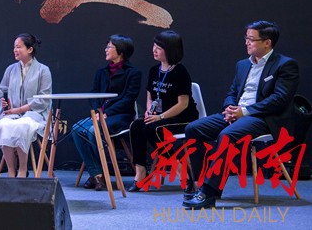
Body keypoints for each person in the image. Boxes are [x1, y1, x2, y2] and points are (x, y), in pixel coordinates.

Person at [183, 21, 300, 209]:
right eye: (246, 38)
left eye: (251, 39)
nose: (247, 42)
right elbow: (232, 92)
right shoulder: (243, 65)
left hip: (263, 118)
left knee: (227, 135)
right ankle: (198, 183)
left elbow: (280, 99)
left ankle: (209, 192)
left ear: (267, 42)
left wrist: (244, 111)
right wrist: (230, 108)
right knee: (193, 128)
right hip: (237, 113)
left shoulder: (285, 65)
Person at [128, 30, 198, 192]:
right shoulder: (154, 70)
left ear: (171, 50)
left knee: (153, 129)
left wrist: (160, 117)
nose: (154, 50)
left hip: (182, 117)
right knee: (137, 125)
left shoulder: (180, 72)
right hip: (159, 116)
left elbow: (183, 104)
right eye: (154, 46)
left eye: (159, 48)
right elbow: (150, 97)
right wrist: (149, 112)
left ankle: (181, 170)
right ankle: (140, 173)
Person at [72, 35, 141, 191]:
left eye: (109, 47)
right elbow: (94, 94)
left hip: (121, 116)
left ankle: (98, 174)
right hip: (100, 114)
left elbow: (128, 99)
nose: (106, 50)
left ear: (120, 50)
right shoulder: (102, 72)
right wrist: (97, 111)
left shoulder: (133, 73)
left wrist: (107, 113)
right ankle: (97, 174)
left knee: (93, 130)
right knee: (76, 129)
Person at [0, 33, 52, 178]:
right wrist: (4, 104)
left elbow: (44, 99)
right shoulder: (10, 69)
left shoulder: (43, 70)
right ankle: (11, 170)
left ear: (30, 49)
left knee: (22, 126)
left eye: (18, 47)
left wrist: (20, 109)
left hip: (35, 114)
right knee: (2, 126)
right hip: (12, 113)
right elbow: (1, 92)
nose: (15, 50)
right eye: (14, 47)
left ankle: (22, 169)